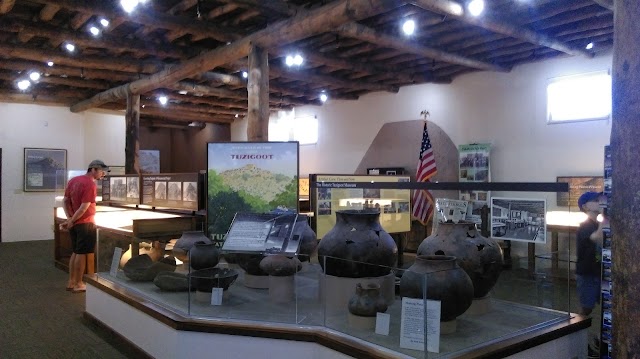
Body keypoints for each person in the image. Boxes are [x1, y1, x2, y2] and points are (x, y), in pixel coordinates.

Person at [61, 159, 109, 293]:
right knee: (81, 253)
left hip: (76, 222)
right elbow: (84, 207)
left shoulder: (74, 180)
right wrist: (71, 220)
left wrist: (70, 219)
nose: (102, 174)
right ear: (93, 169)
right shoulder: (90, 184)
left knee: (76, 252)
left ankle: (71, 281)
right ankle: (78, 283)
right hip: (85, 223)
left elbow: (65, 201)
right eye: (101, 171)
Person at [576, 191, 605, 316]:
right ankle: (577, 332)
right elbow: (597, 238)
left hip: (598, 272)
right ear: (585, 207)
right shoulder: (585, 226)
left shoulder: (596, 224)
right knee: (586, 308)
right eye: (596, 201)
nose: (599, 203)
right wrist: (605, 216)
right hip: (588, 274)